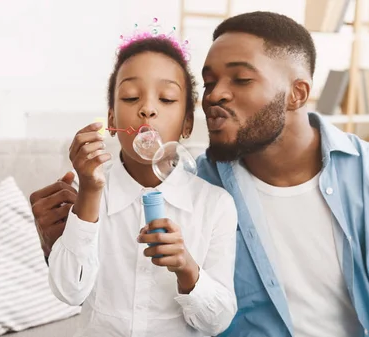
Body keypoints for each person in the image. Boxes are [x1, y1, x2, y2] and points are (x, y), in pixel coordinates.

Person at [31, 11, 369, 337]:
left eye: (240, 80)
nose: (215, 95)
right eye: (209, 80)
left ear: (296, 93)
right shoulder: (195, 183)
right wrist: (61, 237)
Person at [44, 34, 238, 337]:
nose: (147, 109)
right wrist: (89, 192)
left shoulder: (214, 205)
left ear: (187, 124)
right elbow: (70, 291)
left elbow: (218, 321)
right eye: (132, 97)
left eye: (167, 99)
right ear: (111, 119)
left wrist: (188, 269)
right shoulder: (89, 192)